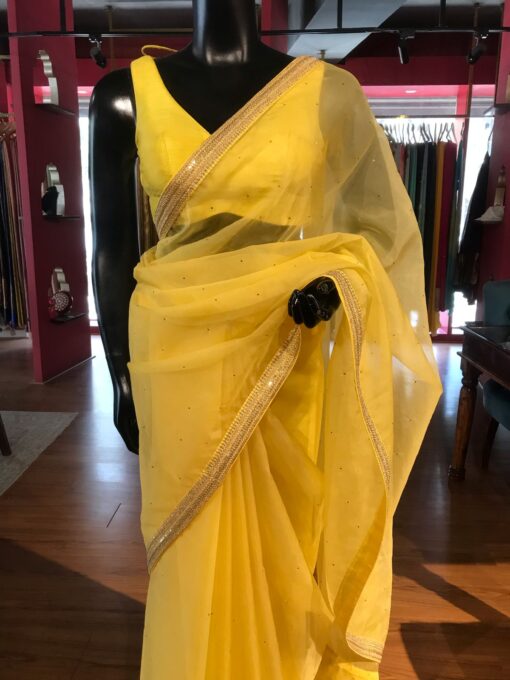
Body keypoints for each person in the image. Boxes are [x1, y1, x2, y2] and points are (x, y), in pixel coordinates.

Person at [89, 1, 442, 677]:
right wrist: (121, 374)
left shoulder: (327, 95)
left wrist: (339, 283)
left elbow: (382, 236)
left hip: (285, 349)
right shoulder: (122, 98)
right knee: (188, 551)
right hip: (174, 362)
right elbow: (110, 252)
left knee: (286, 544)